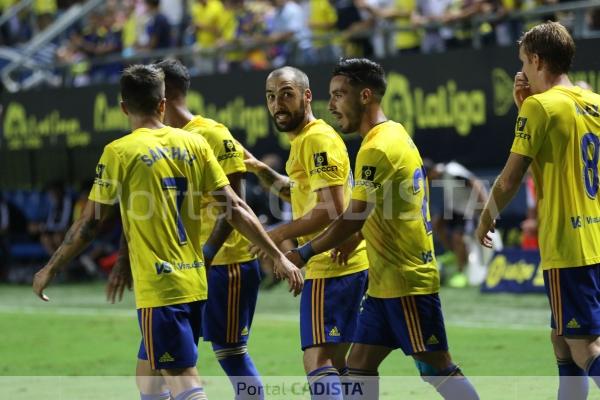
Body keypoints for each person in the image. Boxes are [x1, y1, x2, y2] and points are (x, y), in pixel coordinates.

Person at [33, 64, 303, 400]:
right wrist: (278, 255)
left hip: (166, 284)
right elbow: (235, 207)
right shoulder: (193, 144)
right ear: (162, 103)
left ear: (122, 107)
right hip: (194, 279)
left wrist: (51, 267)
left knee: (186, 377)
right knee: (148, 377)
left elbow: (89, 224)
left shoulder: (120, 152)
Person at [285, 58, 479, 400]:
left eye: (339, 95)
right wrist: (356, 237)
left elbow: (351, 216)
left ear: (365, 95)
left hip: (406, 282)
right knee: (359, 365)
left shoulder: (376, 148)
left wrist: (303, 252)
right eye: (330, 96)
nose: (331, 105)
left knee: (437, 368)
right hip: (383, 285)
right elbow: (380, 209)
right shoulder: (395, 133)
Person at [106, 58, 266, 400]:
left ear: (167, 93)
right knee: (149, 370)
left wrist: (208, 252)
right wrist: (124, 260)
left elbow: (235, 206)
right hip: (178, 271)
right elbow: (142, 210)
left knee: (229, 354)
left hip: (225, 263)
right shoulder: (161, 140)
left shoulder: (211, 133)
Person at [476, 21, 600, 400]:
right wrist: (525, 110)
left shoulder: (540, 107)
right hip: (595, 238)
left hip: (569, 245)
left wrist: (486, 216)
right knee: (561, 338)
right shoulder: (593, 101)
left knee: (584, 347)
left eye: (524, 64)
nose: (522, 72)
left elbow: (511, 178)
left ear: (536, 60)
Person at [244, 66, 369, 399]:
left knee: (318, 360)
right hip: (345, 263)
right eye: (271, 97)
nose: (277, 104)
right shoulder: (307, 139)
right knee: (339, 365)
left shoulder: (315, 138)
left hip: (330, 264)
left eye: (286, 94)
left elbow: (330, 208)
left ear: (306, 96)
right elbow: (303, 194)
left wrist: (272, 234)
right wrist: (261, 170)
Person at [424, 159, 488, 287]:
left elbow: (476, 184)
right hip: (455, 209)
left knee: (457, 237)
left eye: (427, 178)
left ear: (432, 172)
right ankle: (453, 253)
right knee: (437, 223)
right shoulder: (443, 175)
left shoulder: (452, 171)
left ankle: (461, 272)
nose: (428, 182)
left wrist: (486, 210)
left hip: (468, 210)